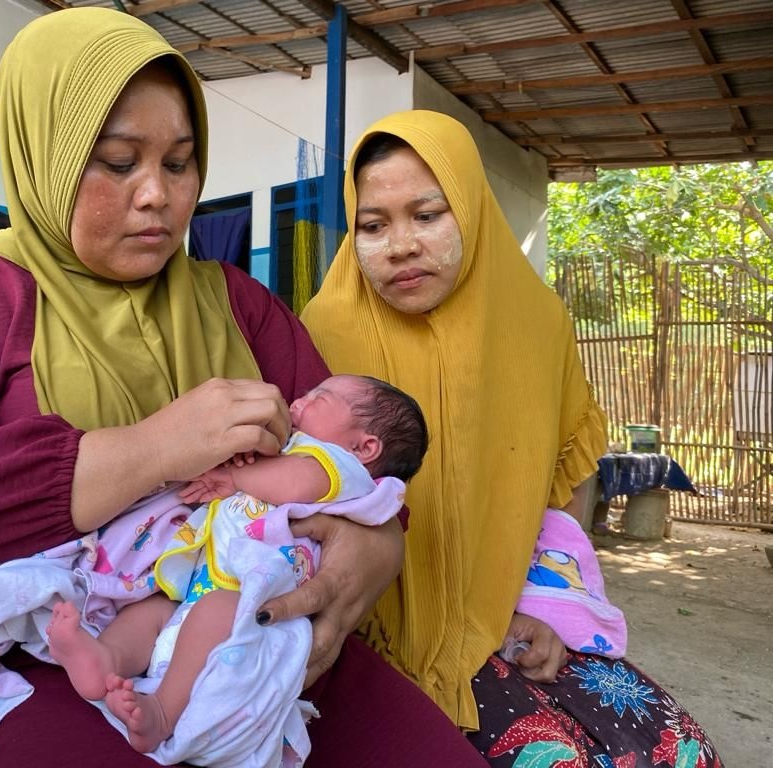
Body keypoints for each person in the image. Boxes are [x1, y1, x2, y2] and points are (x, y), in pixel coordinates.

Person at [0, 9, 486, 767]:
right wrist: (150, 448)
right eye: (115, 161)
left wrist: (375, 546)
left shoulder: (237, 305)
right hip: (36, 660)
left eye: (179, 163)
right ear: (46, 155)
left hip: (239, 638)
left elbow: (351, 461)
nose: (158, 196)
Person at [295, 110, 723, 765]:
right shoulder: (323, 331)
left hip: (512, 617)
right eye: (373, 226)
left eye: (428, 215)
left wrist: (551, 608)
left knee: (682, 750)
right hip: (367, 636)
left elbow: (566, 475)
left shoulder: (535, 322)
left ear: (471, 209)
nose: (401, 244)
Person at [46, 373, 428, 764]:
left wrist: (235, 475)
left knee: (212, 616)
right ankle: (105, 658)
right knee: (154, 613)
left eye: (320, 398)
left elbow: (297, 483)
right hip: (203, 584)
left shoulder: (339, 467)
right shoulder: (294, 449)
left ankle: (163, 710)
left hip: (249, 601)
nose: (299, 401)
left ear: (364, 446)